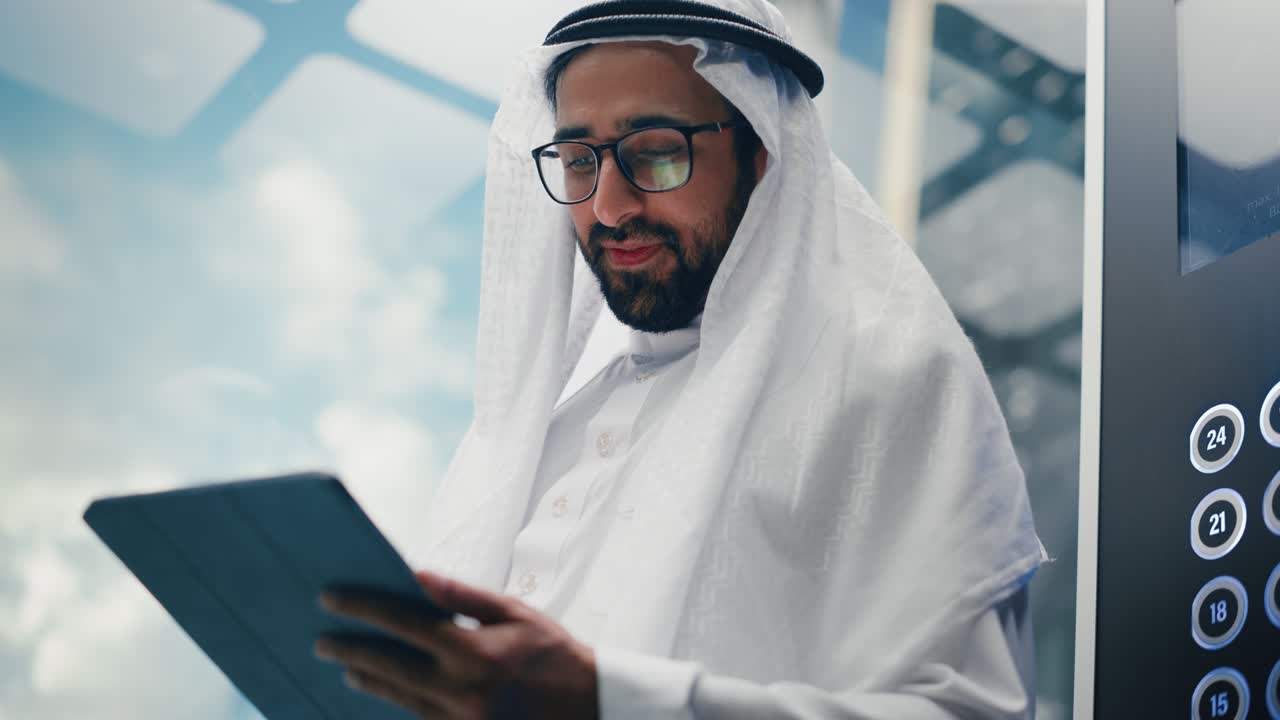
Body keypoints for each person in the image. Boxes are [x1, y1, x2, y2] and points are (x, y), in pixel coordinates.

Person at [313, 1, 1046, 717]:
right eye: (577, 161)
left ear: (763, 155)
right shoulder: (562, 427)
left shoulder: (893, 385)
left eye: (656, 152)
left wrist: (608, 703)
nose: (608, 207)